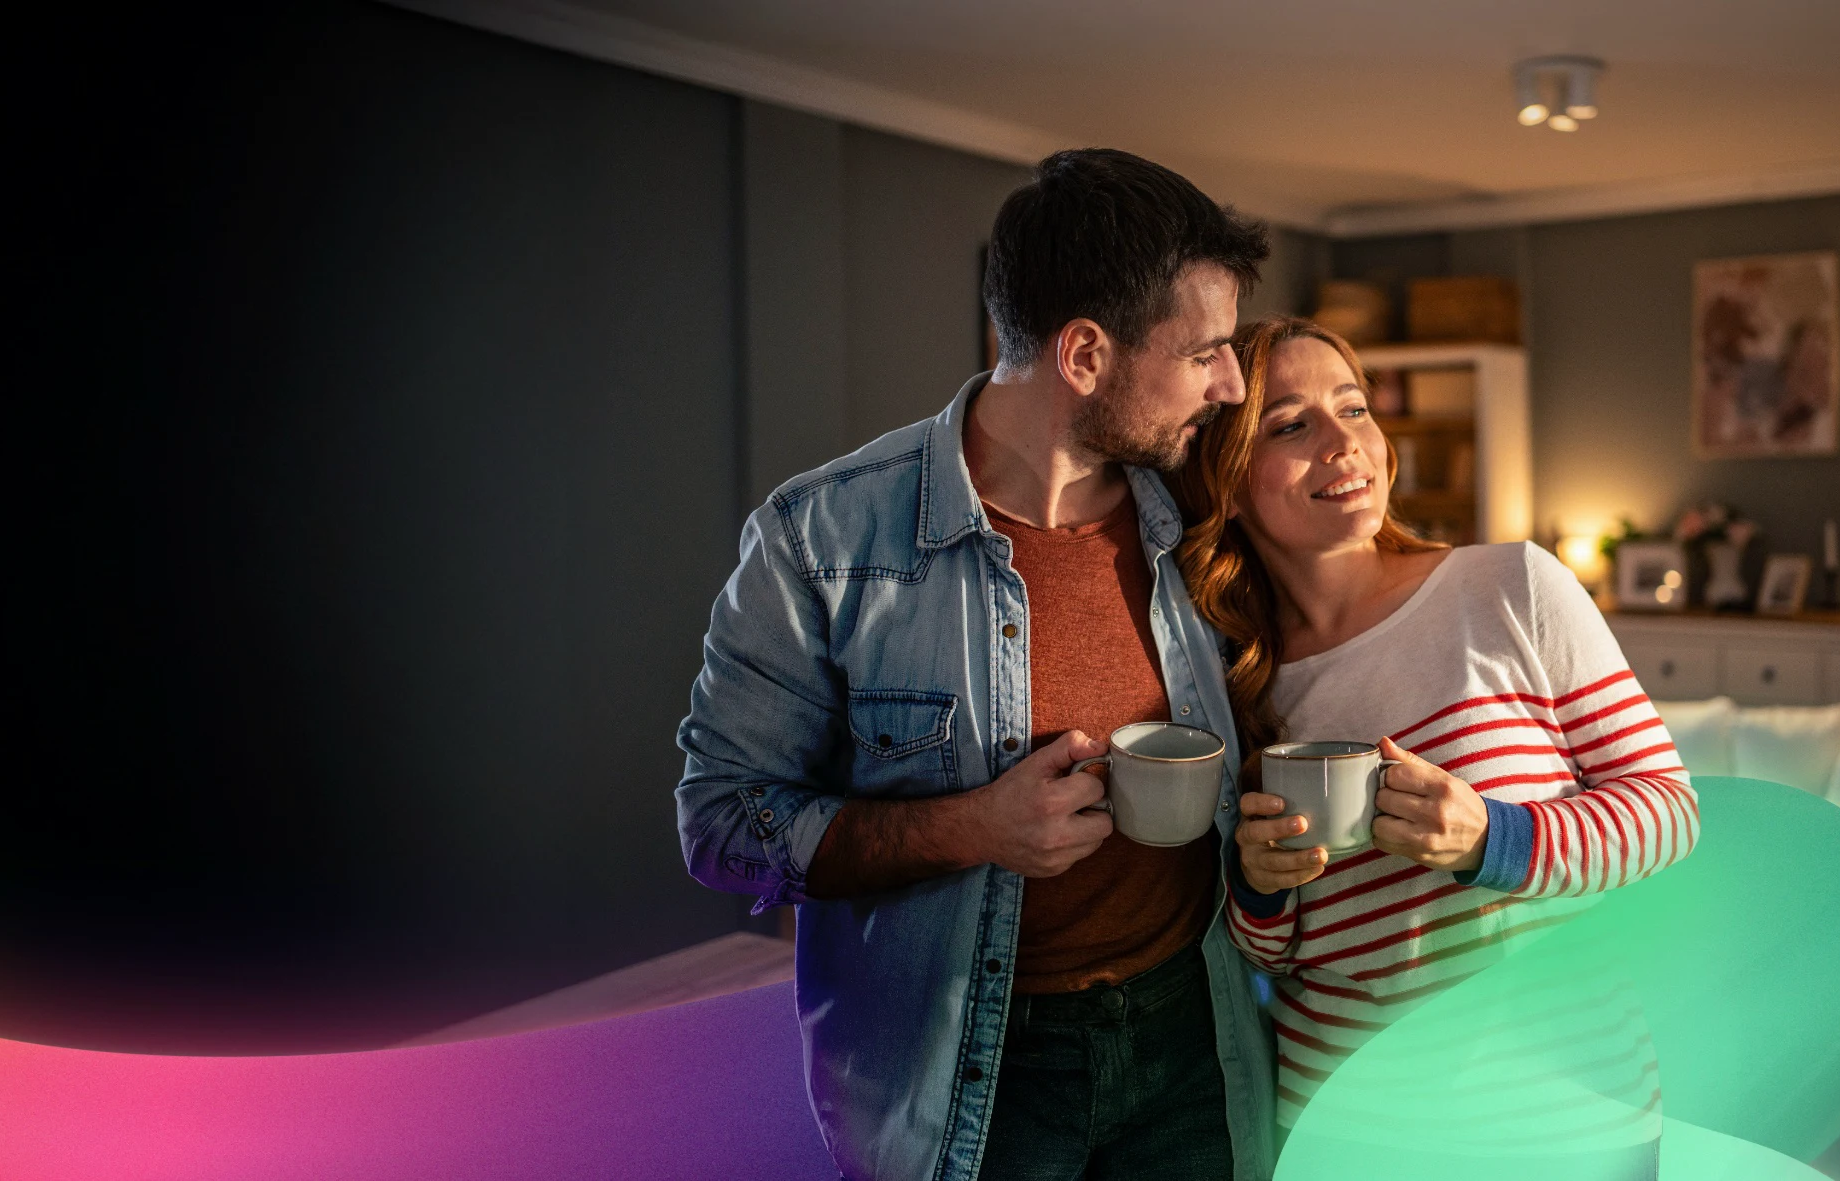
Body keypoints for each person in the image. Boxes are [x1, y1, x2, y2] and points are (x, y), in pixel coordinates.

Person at [676, 149, 1276, 1181]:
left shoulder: (1205, 516)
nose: (1230, 384)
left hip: (1193, 1032)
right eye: (1205, 353)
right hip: (972, 1072)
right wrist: (973, 829)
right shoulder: (820, 536)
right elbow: (724, 826)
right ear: (1085, 354)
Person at [1173, 315, 1698, 1167]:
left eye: (1353, 409)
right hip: (1359, 1128)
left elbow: (1669, 814)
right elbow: (1273, 952)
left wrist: (1496, 836)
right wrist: (1260, 887)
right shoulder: (1230, 686)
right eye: (1291, 425)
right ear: (1226, 483)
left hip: (1570, 1116)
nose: (1344, 443)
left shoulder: (1511, 587)